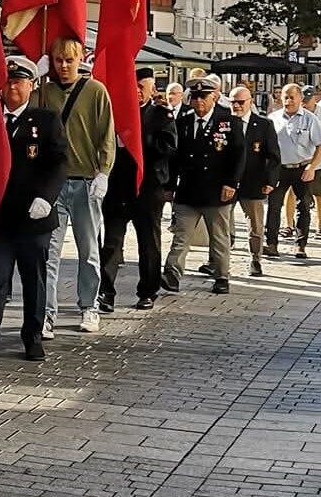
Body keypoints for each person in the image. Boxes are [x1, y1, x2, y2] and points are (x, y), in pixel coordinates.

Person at [0, 57, 67, 364]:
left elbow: (59, 162)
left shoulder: (46, 120)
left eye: (19, 82)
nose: (12, 87)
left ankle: (33, 337)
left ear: (31, 86)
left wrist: (46, 198)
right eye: (8, 81)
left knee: (33, 280)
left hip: (33, 216)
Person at [32, 37, 115, 337]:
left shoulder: (95, 91)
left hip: (85, 181)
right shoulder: (45, 92)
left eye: (69, 60)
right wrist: (34, 81)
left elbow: (106, 133)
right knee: (49, 252)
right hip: (53, 184)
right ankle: (46, 312)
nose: (64, 66)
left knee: (89, 249)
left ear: (80, 60)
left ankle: (89, 306)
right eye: (58, 60)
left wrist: (104, 172)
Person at [99, 67, 178, 313]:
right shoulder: (113, 113)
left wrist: (136, 137)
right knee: (111, 242)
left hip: (147, 187)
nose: (135, 92)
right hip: (118, 187)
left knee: (148, 242)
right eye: (131, 87)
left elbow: (168, 147)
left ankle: (148, 291)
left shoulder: (160, 114)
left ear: (151, 90)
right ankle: (105, 292)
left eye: (141, 88)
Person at [161, 78, 246, 295]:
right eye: (195, 97)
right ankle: (171, 273)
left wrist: (231, 183)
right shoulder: (183, 122)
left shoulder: (228, 122)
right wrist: (170, 185)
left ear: (214, 97)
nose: (199, 101)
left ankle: (221, 276)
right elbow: (174, 157)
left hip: (216, 191)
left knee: (218, 237)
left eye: (204, 97)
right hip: (188, 190)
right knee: (181, 236)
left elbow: (238, 156)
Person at [265, 83, 321, 264]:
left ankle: (300, 244)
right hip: (280, 169)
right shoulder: (272, 119)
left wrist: (312, 167)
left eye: (292, 97)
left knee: (303, 206)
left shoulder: (310, 119)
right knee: (274, 205)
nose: (288, 101)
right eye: (285, 97)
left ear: (301, 99)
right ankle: (271, 243)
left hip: (302, 168)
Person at [228, 85, 281, 276]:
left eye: (241, 102)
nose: (237, 106)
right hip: (228, 182)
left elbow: (274, 156)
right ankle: (219, 259)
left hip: (253, 181)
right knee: (222, 222)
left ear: (250, 102)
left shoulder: (264, 125)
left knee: (256, 225)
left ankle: (256, 259)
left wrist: (270, 181)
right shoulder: (224, 123)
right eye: (233, 102)